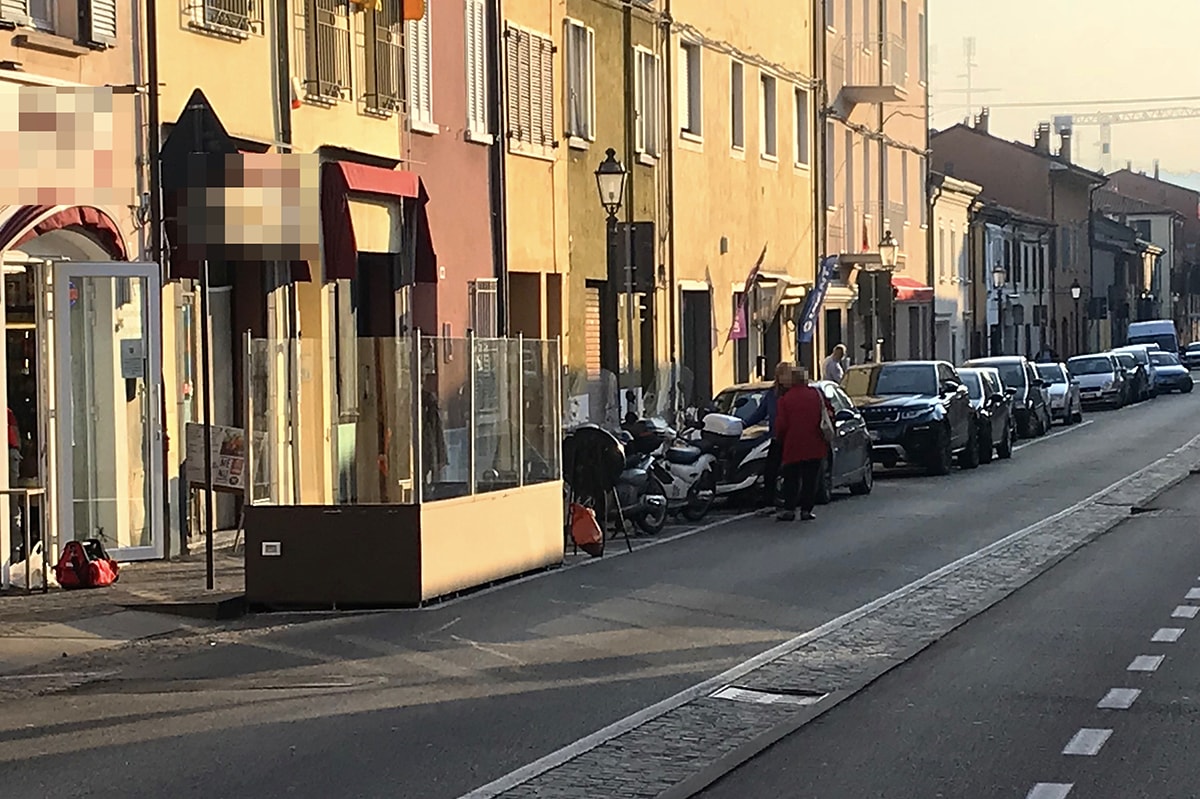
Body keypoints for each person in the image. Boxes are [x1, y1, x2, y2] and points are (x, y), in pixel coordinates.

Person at [774, 367, 830, 522]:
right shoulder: (816, 395)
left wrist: (779, 438)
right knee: (810, 479)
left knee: (791, 478)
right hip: (815, 442)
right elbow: (828, 413)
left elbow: (781, 424)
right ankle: (806, 510)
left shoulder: (785, 399)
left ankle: (790, 509)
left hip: (793, 444)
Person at [745, 362, 793, 517]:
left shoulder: (793, 393)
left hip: (792, 438)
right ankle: (769, 502)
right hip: (776, 437)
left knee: (791, 472)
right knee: (770, 471)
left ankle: (790, 503)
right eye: (781, 374)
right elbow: (760, 413)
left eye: (786, 374)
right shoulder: (772, 394)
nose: (783, 377)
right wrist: (743, 423)